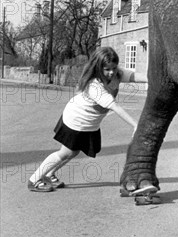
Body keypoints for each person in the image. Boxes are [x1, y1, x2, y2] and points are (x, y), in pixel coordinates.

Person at [28, 47, 146, 192]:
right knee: (65, 152)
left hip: (89, 123)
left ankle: (49, 174)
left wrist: (155, 78)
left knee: (73, 152)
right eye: (107, 69)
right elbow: (114, 106)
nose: (111, 72)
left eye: (114, 68)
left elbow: (135, 76)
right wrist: (135, 125)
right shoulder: (94, 85)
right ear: (98, 67)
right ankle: (34, 179)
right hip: (76, 119)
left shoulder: (117, 74)